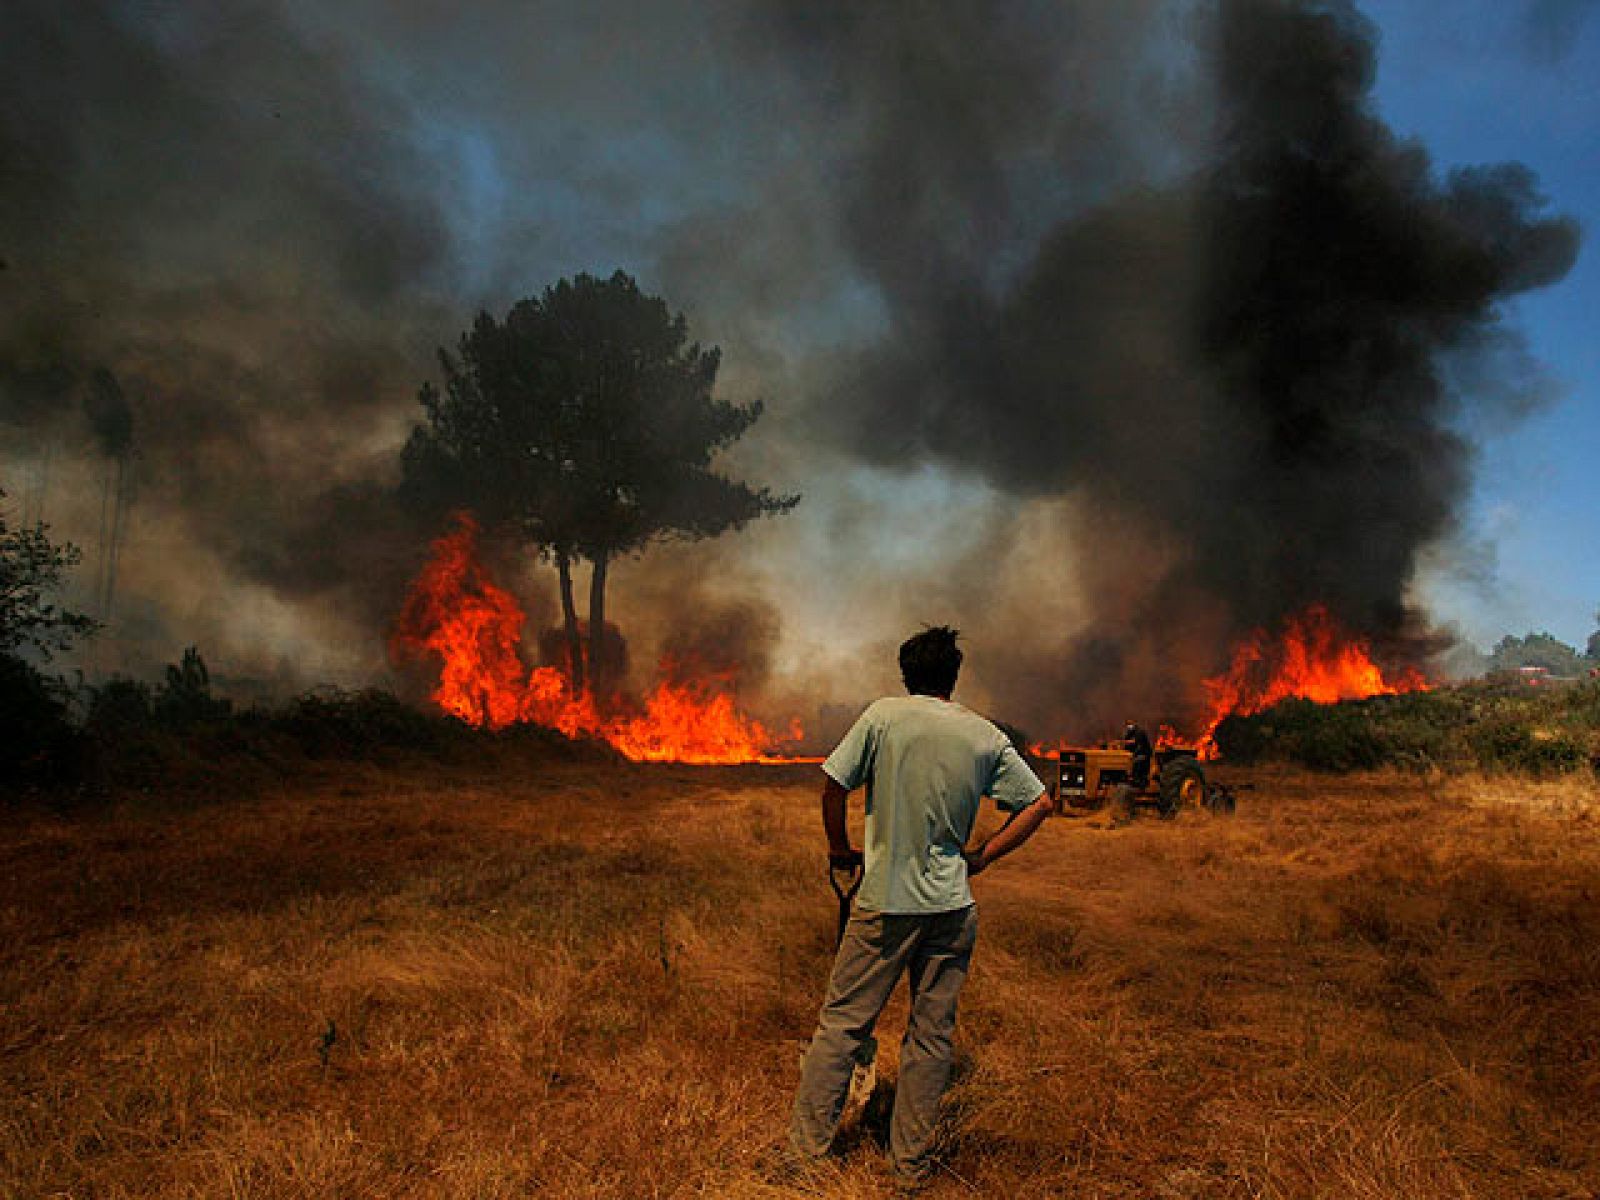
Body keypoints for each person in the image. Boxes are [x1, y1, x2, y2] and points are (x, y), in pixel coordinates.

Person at [786, 626, 1053, 1192]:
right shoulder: (984, 735)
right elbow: (1039, 802)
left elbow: (832, 784)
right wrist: (983, 856)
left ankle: (805, 1158)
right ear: (953, 677)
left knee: (841, 1026)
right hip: (952, 908)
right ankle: (908, 1168)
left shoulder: (883, 717)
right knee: (932, 1038)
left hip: (885, 905)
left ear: (906, 675)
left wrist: (839, 848)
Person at [1123, 720, 1153, 789]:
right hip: (1136, 753)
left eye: (1130, 724)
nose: (1129, 726)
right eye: (1128, 725)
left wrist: (1133, 754)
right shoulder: (1129, 733)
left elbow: (1140, 746)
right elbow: (1126, 743)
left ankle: (1137, 780)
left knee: (1136, 762)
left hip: (1143, 753)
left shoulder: (1139, 732)